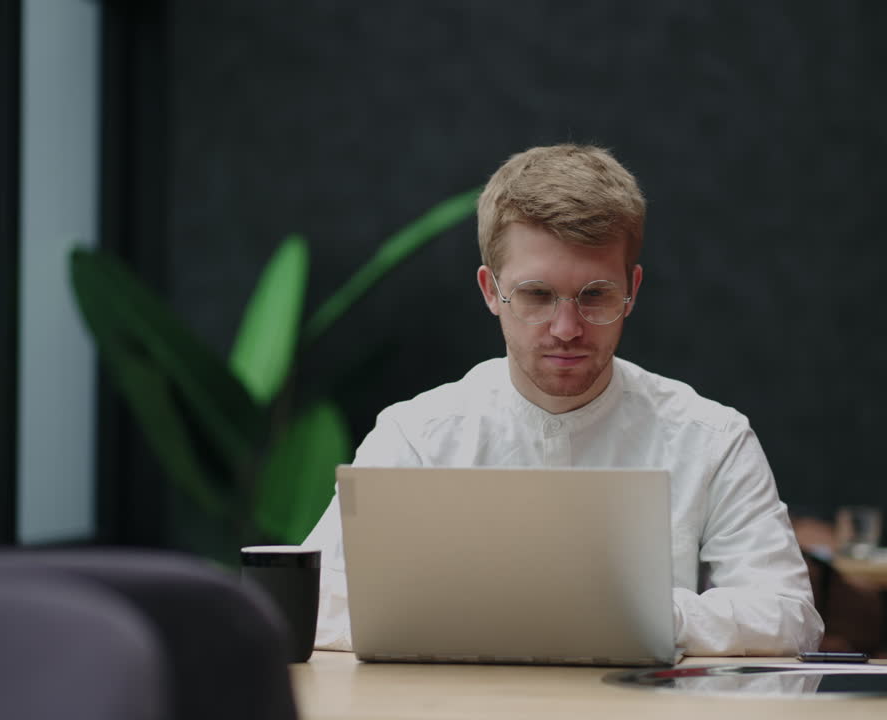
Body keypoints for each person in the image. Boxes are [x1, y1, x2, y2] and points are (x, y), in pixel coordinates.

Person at [302, 144, 824, 656]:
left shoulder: (713, 439)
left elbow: (789, 615)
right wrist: (509, 617)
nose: (567, 329)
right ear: (490, 290)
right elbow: (311, 599)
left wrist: (643, 615)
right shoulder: (415, 437)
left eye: (595, 294)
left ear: (632, 290)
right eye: (536, 295)